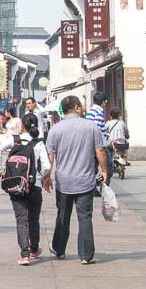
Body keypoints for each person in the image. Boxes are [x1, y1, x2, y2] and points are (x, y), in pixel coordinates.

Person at [45, 96, 107, 265]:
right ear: (77, 107)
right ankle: (86, 255)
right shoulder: (91, 126)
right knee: (85, 217)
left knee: (63, 215)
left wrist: (46, 176)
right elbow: (100, 150)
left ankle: (59, 249)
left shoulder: (55, 129)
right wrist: (104, 170)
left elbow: (50, 156)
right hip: (85, 180)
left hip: (63, 181)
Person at [0, 113, 51, 265]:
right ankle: (34, 250)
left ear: (22, 126)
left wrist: (1, 170)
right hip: (34, 185)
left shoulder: (14, 140)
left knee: (21, 220)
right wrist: (41, 176)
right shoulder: (38, 143)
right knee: (34, 219)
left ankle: (24, 255)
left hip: (16, 184)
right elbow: (47, 166)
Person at [85, 91, 112, 185]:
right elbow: (97, 129)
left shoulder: (91, 111)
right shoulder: (99, 111)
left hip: (90, 142)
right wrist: (105, 143)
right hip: (98, 144)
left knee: (94, 167)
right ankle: (103, 186)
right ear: (103, 102)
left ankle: (93, 186)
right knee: (109, 166)